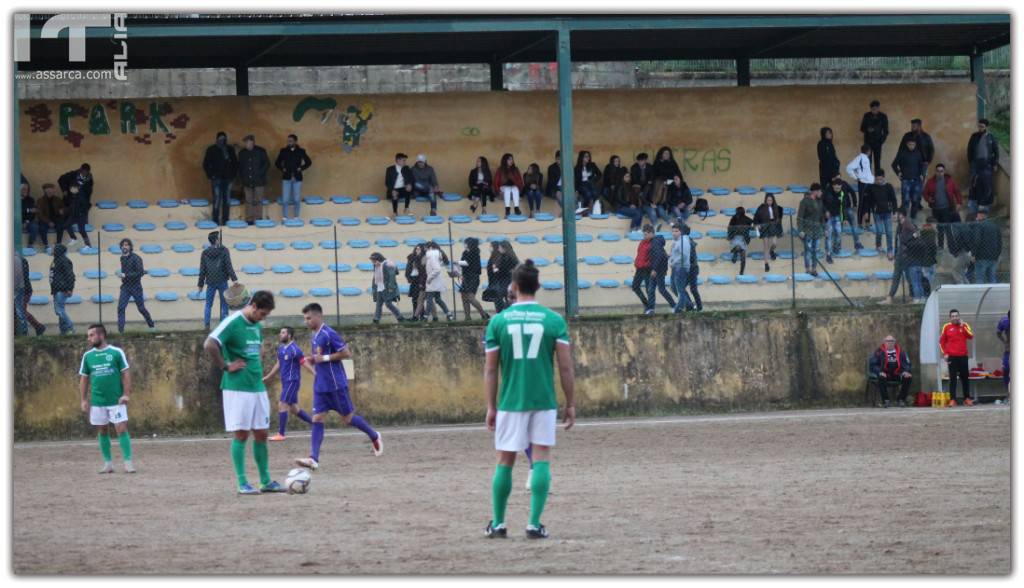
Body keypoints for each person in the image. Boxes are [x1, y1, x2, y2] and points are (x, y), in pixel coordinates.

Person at [483, 259, 575, 540]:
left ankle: (498, 524)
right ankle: (534, 524)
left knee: (504, 460)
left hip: (511, 401)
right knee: (542, 458)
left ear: (513, 287)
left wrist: (490, 406)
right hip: (544, 400)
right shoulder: (553, 320)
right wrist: (570, 403)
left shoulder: (498, 321)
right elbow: (566, 367)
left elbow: (490, 368)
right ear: (537, 286)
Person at [204, 290, 286, 494]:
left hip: (256, 386)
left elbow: (257, 348)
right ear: (254, 306)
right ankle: (242, 482)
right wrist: (225, 366)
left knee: (261, 433)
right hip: (237, 387)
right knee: (241, 434)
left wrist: (258, 355)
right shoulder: (232, 322)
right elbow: (210, 344)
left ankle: (265, 481)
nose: (263, 319)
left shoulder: (256, 326)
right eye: (262, 314)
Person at [296, 303, 384, 471]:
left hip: (335, 384)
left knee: (348, 418)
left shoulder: (329, 334)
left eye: (308, 318)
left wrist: (325, 358)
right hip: (321, 385)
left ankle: (374, 435)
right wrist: (312, 359)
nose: (306, 322)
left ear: (318, 316)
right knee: (317, 418)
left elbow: (346, 353)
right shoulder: (313, 336)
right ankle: (313, 458)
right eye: (305, 319)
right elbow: (319, 357)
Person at [79, 324, 135, 473]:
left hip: (116, 400)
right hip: (97, 401)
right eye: (88, 335)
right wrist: (84, 400)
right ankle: (108, 463)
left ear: (101, 335)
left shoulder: (116, 352)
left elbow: (126, 374)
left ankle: (128, 462)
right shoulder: (88, 356)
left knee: (121, 428)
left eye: (91, 335)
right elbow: (84, 379)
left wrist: (126, 394)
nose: (89, 338)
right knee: (102, 430)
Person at [262, 327, 314, 441]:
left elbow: (303, 362)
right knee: (294, 409)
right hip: (286, 382)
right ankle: (315, 423)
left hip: (292, 381)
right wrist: (269, 376)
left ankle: (281, 434)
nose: (280, 335)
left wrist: (315, 373)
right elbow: (279, 364)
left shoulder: (295, 349)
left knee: (282, 404)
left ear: (289, 335)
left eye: (283, 333)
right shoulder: (281, 349)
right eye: (280, 332)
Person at [198, 231, 239, 330]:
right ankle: (224, 324)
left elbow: (202, 270)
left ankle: (207, 325)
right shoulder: (224, 250)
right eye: (218, 238)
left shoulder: (204, 253)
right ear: (216, 240)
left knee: (208, 304)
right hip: (222, 281)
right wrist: (234, 279)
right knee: (224, 304)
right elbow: (228, 266)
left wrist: (200, 284)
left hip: (210, 282)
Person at [115, 238, 156, 334]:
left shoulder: (136, 258)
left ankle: (151, 326)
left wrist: (125, 275)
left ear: (130, 247)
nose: (124, 246)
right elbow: (125, 272)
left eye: (127, 245)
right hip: (125, 287)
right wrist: (121, 275)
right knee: (121, 307)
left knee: (141, 308)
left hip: (136, 286)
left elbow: (140, 273)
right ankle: (121, 331)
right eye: (123, 245)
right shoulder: (122, 258)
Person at [879, 208, 919, 305]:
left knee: (908, 277)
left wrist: (907, 243)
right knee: (897, 276)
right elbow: (898, 241)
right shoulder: (900, 226)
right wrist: (895, 253)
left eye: (895, 214)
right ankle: (891, 298)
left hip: (906, 255)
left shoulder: (907, 224)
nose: (893, 216)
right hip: (900, 255)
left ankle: (914, 297)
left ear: (901, 215)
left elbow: (917, 234)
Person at [922, 163, 963, 250]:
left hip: (946, 209)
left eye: (941, 171)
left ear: (944, 172)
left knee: (947, 228)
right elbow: (925, 193)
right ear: (935, 172)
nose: (940, 173)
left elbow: (957, 191)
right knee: (939, 229)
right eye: (938, 171)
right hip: (935, 209)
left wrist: (959, 202)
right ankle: (940, 247)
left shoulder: (949, 181)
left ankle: (951, 247)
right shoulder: (930, 182)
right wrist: (929, 199)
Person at [823, 176, 864, 260]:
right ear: (833, 186)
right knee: (829, 235)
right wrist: (825, 211)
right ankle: (828, 254)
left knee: (838, 233)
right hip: (829, 217)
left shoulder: (842, 193)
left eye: (839, 188)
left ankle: (836, 248)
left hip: (838, 216)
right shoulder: (827, 192)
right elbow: (822, 203)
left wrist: (844, 218)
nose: (838, 190)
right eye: (836, 188)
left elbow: (843, 207)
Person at [939, 309, 974, 407]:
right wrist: (945, 353)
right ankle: (953, 399)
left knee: (965, 378)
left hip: (963, 356)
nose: (955, 318)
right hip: (952, 357)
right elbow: (941, 342)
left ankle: (967, 398)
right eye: (953, 316)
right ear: (950, 318)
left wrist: (963, 326)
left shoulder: (965, 325)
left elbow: (971, 336)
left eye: (956, 316)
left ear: (959, 316)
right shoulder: (946, 327)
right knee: (953, 378)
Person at [203, 131, 238, 226]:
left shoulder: (230, 149)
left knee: (227, 200)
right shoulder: (211, 149)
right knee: (217, 200)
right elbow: (206, 164)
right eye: (220, 139)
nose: (222, 141)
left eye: (224, 139)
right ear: (217, 139)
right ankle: (215, 221)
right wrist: (211, 175)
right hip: (216, 179)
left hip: (228, 179)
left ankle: (225, 220)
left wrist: (233, 175)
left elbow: (235, 163)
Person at [862, 171, 899, 260]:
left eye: (880, 179)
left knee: (889, 232)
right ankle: (878, 245)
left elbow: (894, 200)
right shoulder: (871, 187)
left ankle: (890, 250)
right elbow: (866, 201)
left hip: (887, 212)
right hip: (877, 213)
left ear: (884, 177)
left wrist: (895, 212)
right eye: (877, 179)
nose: (878, 181)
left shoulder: (889, 186)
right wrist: (866, 212)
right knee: (879, 231)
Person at [275, 133, 312, 221]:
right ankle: (285, 217)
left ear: (295, 141)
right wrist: (282, 168)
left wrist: (301, 168)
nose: (289, 142)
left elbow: (308, 162)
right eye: (288, 141)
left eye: (291, 141)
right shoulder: (283, 151)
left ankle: (296, 216)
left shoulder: (301, 151)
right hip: (286, 177)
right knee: (285, 199)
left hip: (297, 177)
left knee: (296, 198)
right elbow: (277, 163)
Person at [869, 335, 913, 408]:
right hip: (885, 373)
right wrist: (880, 371)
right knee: (881, 377)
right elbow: (873, 365)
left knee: (908, 377)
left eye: (892, 341)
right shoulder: (879, 352)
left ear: (894, 342)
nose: (890, 343)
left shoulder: (901, 352)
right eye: (888, 341)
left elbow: (907, 363)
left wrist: (906, 371)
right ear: (884, 342)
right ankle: (885, 401)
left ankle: (901, 400)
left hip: (898, 373)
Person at [966, 118, 999, 213]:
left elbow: (996, 151)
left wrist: (995, 163)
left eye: (982, 126)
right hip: (975, 164)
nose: (980, 128)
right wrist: (971, 162)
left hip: (987, 165)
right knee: (973, 184)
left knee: (987, 186)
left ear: (986, 127)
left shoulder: (991, 137)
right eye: (979, 126)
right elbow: (969, 150)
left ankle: (985, 209)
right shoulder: (974, 136)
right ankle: (973, 207)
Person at [891, 138, 927, 220]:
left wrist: (922, 174)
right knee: (905, 200)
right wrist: (898, 173)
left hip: (917, 180)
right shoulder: (902, 153)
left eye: (913, 145)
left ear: (915, 145)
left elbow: (922, 165)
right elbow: (894, 164)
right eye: (910, 144)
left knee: (915, 200)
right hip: (906, 180)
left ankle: (913, 218)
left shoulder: (918, 153)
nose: (912, 146)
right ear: (907, 144)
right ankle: (904, 218)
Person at [669, 223, 701, 313]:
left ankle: (694, 306)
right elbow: (674, 254)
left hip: (688, 268)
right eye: (673, 231)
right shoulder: (679, 241)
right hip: (681, 267)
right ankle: (690, 305)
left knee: (687, 289)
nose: (674, 233)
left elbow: (686, 256)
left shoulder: (686, 242)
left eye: (677, 231)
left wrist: (674, 262)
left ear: (682, 232)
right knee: (677, 288)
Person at [237, 135, 269, 224]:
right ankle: (249, 219)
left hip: (259, 181)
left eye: (248, 142)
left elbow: (266, 164)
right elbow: (240, 167)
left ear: (253, 142)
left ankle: (258, 219)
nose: (246, 144)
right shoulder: (242, 153)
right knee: (248, 200)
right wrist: (242, 177)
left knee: (258, 200)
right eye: (245, 142)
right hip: (247, 181)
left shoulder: (261, 151)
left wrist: (259, 174)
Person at [653, 146, 685, 229]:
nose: (667, 155)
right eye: (665, 153)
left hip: (672, 187)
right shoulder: (657, 163)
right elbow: (654, 177)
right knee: (661, 206)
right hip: (661, 187)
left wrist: (676, 179)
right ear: (661, 154)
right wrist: (662, 182)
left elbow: (679, 175)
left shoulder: (673, 163)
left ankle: (681, 225)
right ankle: (671, 221)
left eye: (668, 153)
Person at [797, 183, 825, 277]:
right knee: (808, 250)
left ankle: (814, 269)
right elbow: (800, 217)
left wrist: (824, 228)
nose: (821, 193)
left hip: (817, 230)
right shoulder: (804, 202)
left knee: (815, 250)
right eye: (820, 191)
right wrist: (800, 230)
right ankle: (807, 269)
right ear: (815, 191)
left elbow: (821, 217)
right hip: (807, 230)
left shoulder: (820, 202)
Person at [369, 252, 406, 324]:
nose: (372, 262)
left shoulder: (387, 264)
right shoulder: (376, 265)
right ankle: (376, 319)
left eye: (373, 260)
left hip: (386, 288)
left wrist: (391, 287)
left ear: (378, 259)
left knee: (388, 304)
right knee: (379, 304)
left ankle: (400, 317)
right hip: (379, 287)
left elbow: (392, 275)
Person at [14, 252, 45, 336]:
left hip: (22, 289)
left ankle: (36, 327)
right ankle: (37, 326)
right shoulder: (20, 259)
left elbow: (18, 277)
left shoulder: (17, 260)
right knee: (20, 310)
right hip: (24, 288)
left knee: (21, 310)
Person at [645, 229, 676, 315]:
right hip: (660, 269)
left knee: (660, 289)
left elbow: (658, 256)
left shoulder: (654, 243)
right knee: (652, 289)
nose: (645, 237)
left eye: (646, 234)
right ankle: (651, 309)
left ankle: (674, 306)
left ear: (651, 233)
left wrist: (654, 269)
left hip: (658, 270)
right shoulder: (656, 241)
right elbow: (662, 254)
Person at [457, 238, 489, 320]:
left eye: (466, 243)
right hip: (466, 277)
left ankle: (483, 314)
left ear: (469, 244)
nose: (464, 245)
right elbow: (463, 263)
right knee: (464, 297)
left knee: (470, 298)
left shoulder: (474, 253)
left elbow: (467, 263)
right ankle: (467, 317)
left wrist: (457, 263)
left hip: (473, 278)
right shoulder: (465, 253)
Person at [61, 169, 93, 249]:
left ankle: (88, 245)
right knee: (66, 225)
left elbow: (86, 206)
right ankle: (73, 238)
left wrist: (82, 213)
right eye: (71, 188)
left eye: (73, 188)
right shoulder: (72, 196)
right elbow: (72, 206)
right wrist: (66, 210)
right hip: (74, 215)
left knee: (82, 230)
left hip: (81, 216)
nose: (71, 189)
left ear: (78, 188)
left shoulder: (82, 196)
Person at [423, 242, 454, 321]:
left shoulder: (431, 255)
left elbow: (437, 269)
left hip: (432, 281)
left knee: (429, 299)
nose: (424, 250)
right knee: (438, 299)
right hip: (436, 280)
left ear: (430, 248)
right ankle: (449, 314)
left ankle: (425, 317)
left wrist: (429, 278)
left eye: (425, 248)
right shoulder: (437, 254)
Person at [753, 193, 784, 272]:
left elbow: (779, 217)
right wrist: (757, 225)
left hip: (773, 226)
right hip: (764, 227)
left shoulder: (776, 208)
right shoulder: (761, 207)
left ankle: (771, 250)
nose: (769, 201)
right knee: (766, 246)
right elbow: (756, 217)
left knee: (774, 243)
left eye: (771, 200)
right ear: (765, 200)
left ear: (773, 200)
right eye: (768, 200)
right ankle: (766, 264)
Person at [49, 243, 75, 335]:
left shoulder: (64, 261)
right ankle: (64, 331)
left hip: (62, 289)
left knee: (59, 310)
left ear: (58, 250)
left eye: (53, 248)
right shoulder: (56, 260)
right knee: (60, 310)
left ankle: (70, 327)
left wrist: (69, 288)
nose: (51, 249)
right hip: (56, 289)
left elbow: (70, 275)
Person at [485, 241, 518, 313]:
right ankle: (503, 312)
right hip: (502, 280)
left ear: (504, 248)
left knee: (501, 297)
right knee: (501, 298)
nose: (498, 249)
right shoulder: (502, 256)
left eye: (500, 247)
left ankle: (503, 312)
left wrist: (497, 269)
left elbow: (508, 269)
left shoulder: (510, 257)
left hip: (508, 280)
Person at [971, 208, 1001, 284]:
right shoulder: (995, 226)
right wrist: (997, 255)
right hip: (993, 256)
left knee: (980, 279)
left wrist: (973, 254)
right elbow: (999, 242)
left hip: (981, 256)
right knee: (992, 278)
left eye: (977, 215)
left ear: (980, 215)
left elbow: (976, 241)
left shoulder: (979, 226)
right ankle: (994, 295)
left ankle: (981, 295)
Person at [860, 100, 889, 174]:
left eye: (876, 109)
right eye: (873, 109)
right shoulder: (866, 115)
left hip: (878, 142)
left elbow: (886, 131)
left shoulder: (883, 116)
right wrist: (867, 129)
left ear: (879, 108)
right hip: (868, 143)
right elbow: (862, 128)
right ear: (870, 109)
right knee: (867, 162)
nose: (874, 111)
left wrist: (881, 141)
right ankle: (868, 179)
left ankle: (877, 179)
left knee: (877, 162)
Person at [846, 145, 875, 214]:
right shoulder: (860, 158)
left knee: (868, 203)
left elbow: (867, 173)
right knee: (862, 203)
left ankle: (867, 222)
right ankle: (860, 222)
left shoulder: (866, 159)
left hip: (869, 183)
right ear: (868, 151)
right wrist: (855, 177)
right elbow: (849, 168)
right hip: (863, 183)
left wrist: (873, 180)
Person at [35, 182, 64, 249]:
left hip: (56, 219)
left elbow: (63, 209)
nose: (50, 191)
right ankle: (46, 245)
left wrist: (62, 212)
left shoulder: (58, 199)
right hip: (45, 219)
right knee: (42, 228)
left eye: (51, 190)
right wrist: (48, 222)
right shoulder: (40, 201)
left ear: (54, 190)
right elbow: (39, 214)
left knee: (60, 226)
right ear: (44, 191)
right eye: (48, 190)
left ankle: (59, 244)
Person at [494, 153, 524, 218]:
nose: (511, 161)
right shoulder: (500, 169)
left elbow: (519, 180)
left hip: (513, 187)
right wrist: (498, 191)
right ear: (505, 160)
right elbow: (496, 181)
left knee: (515, 188)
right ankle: (507, 209)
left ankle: (516, 208)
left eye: (512, 159)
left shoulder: (515, 169)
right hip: (503, 187)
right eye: (509, 159)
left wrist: (520, 190)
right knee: (507, 189)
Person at [386, 152, 415, 218]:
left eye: (405, 160)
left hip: (403, 189)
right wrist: (392, 190)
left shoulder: (407, 168)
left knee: (408, 189)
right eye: (403, 160)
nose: (405, 162)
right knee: (394, 195)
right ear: (398, 160)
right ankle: (395, 213)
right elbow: (387, 182)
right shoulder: (390, 169)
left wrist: (409, 184)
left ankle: (406, 208)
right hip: (394, 189)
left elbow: (412, 178)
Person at [727, 207, 754, 275]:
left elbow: (753, 225)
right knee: (739, 248)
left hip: (743, 239)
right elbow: (729, 229)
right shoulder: (734, 218)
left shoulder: (744, 219)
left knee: (743, 255)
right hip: (735, 238)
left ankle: (741, 272)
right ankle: (735, 253)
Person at [405, 244, 426, 319]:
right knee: (414, 299)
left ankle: (422, 315)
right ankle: (415, 315)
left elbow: (422, 270)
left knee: (419, 299)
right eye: (416, 249)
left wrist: (418, 257)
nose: (417, 250)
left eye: (419, 249)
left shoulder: (423, 258)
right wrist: (408, 278)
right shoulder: (412, 257)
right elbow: (408, 269)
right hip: (413, 279)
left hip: (420, 279)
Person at [996, 311, 1010, 401]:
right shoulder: (1004, 321)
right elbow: (998, 332)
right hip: (1009, 350)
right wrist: (1004, 341)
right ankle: (1009, 394)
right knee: (1006, 370)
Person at [21, 183, 39, 247]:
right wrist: (28, 210)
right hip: (15, 220)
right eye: (23, 189)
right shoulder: (13, 198)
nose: (25, 191)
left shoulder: (30, 199)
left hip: (27, 221)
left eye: (27, 189)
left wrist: (26, 221)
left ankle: (30, 245)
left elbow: (33, 212)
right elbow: (16, 211)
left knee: (35, 226)